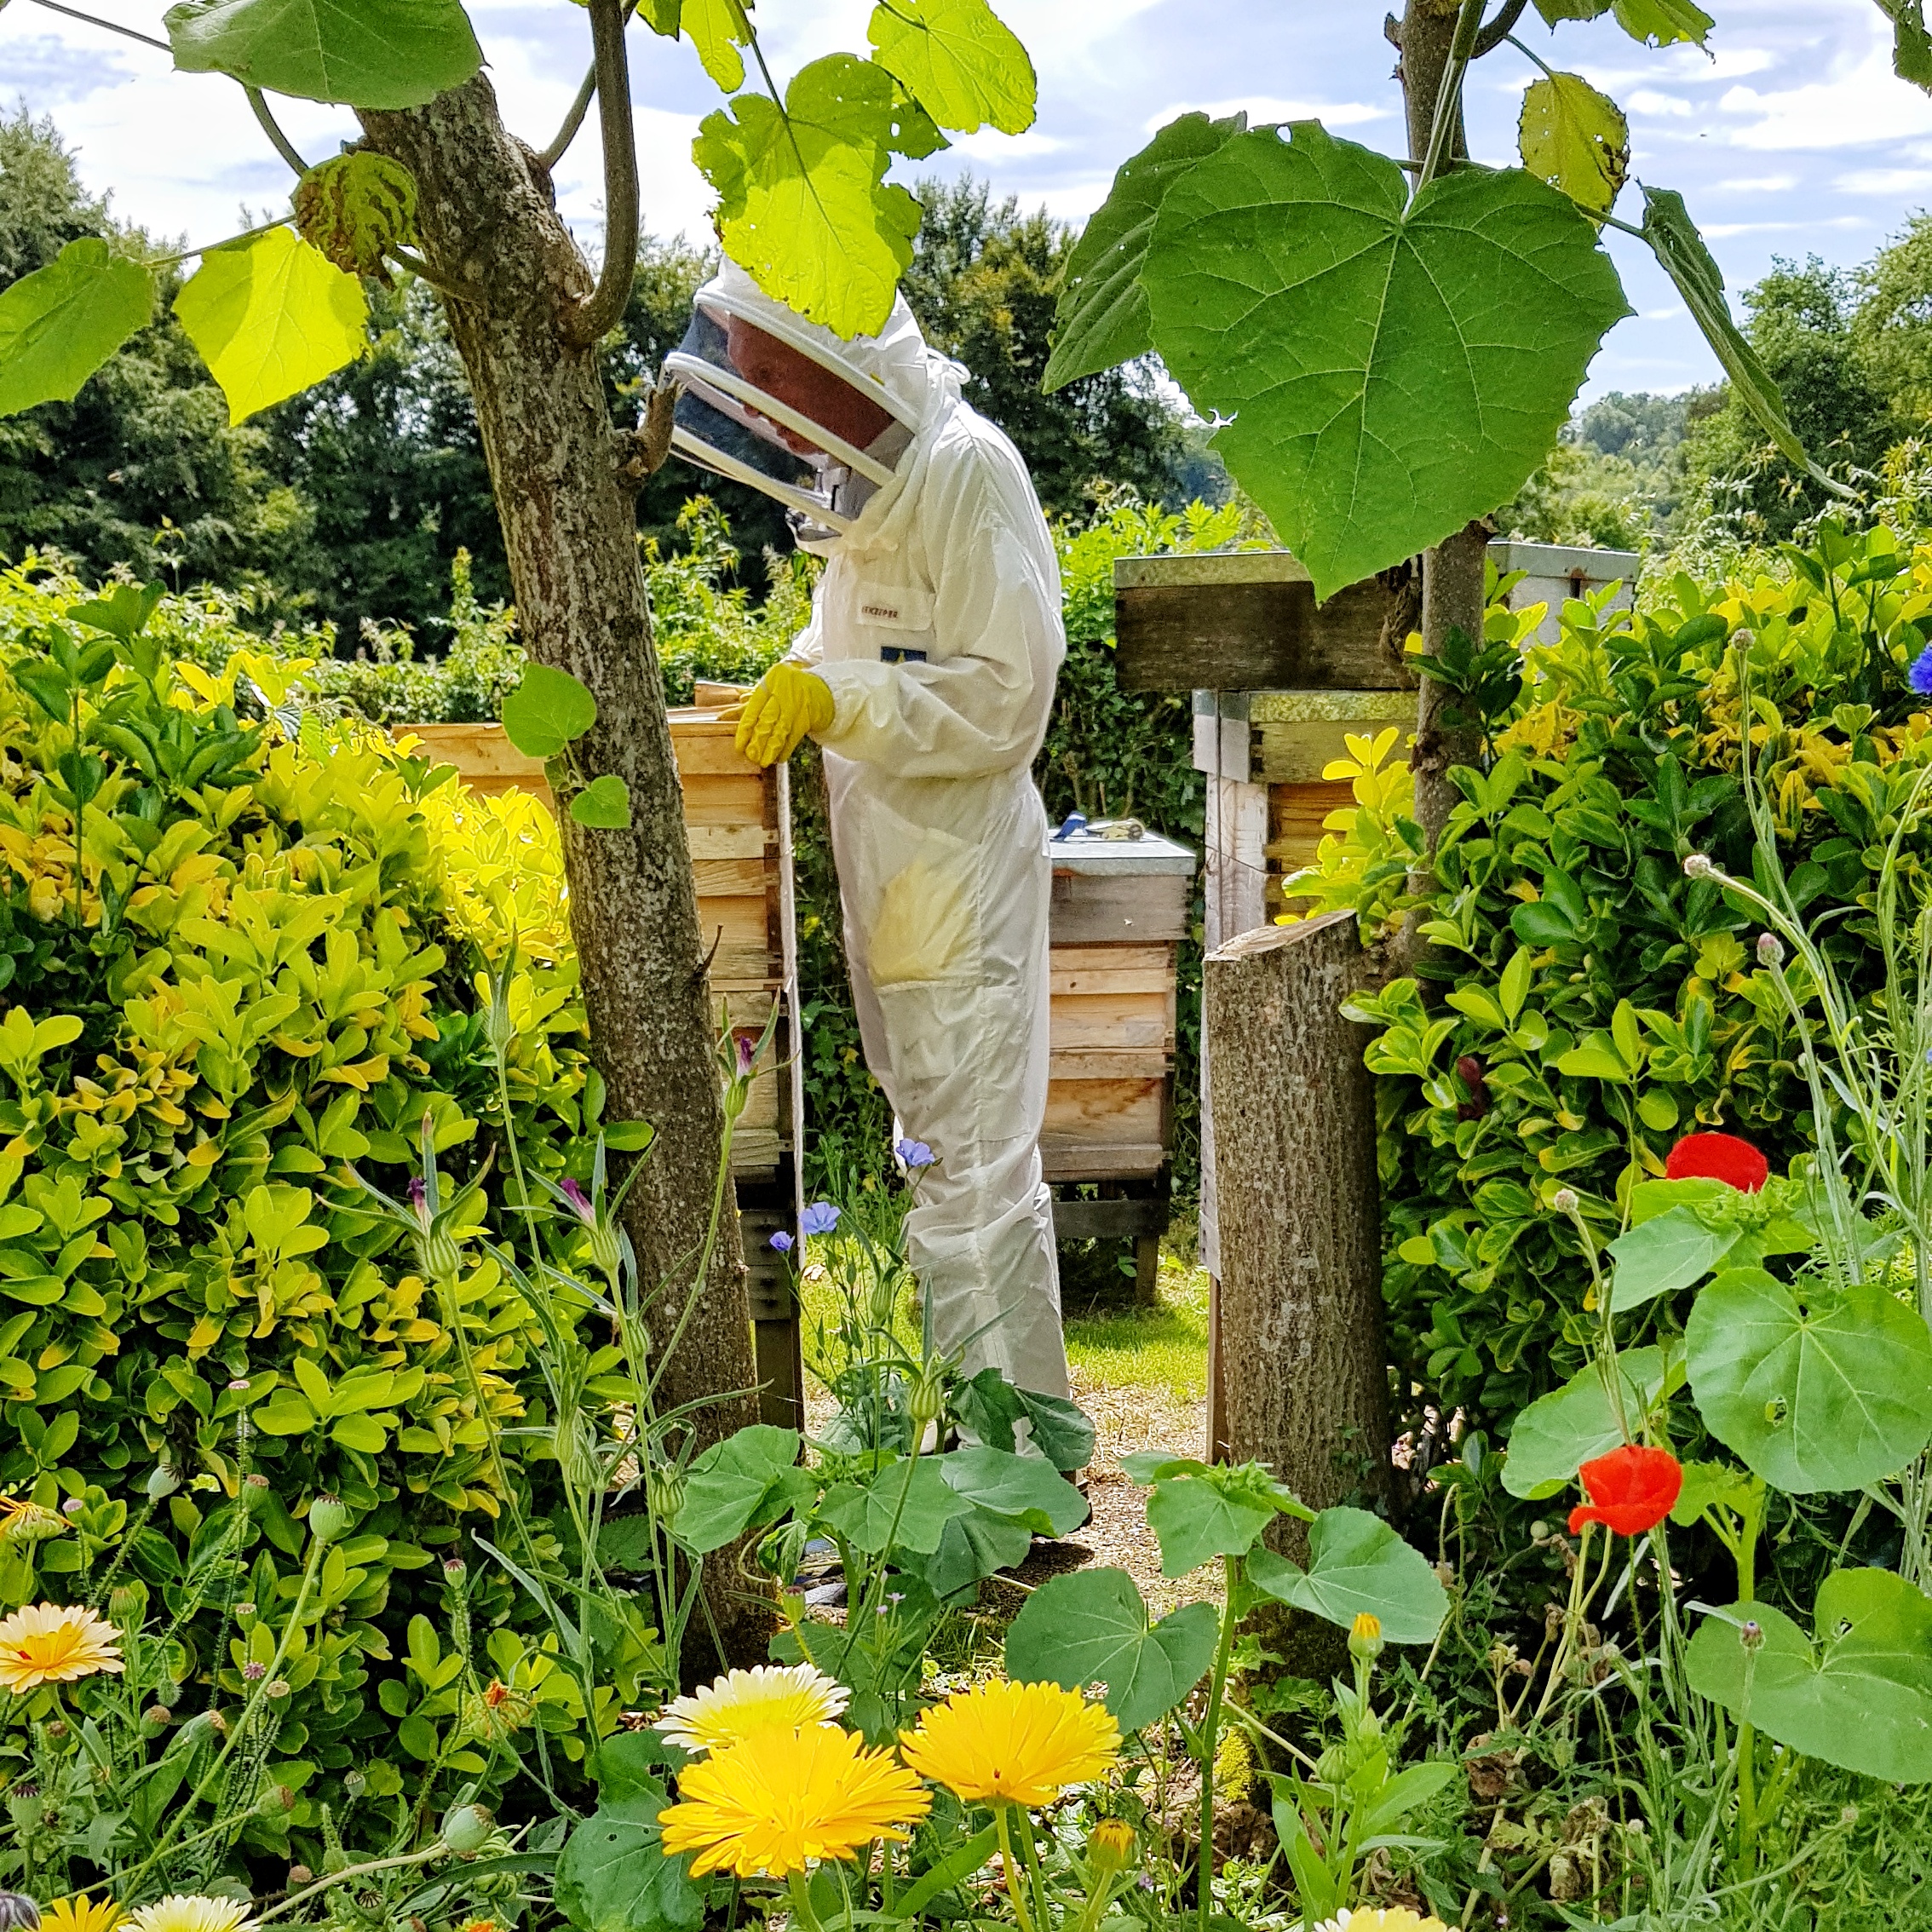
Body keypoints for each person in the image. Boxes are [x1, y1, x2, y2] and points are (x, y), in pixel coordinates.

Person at [663, 262, 1071, 1408]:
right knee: (939, 1166)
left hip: (960, 881)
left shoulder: (965, 471)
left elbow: (1006, 695)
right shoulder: (868, 488)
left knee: (974, 1181)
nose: (758, 410)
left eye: (772, 381)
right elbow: (854, 639)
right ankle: (988, 1454)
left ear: (839, 369)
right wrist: (799, 671)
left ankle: (1006, 1471)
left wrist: (838, 699)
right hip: (895, 880)